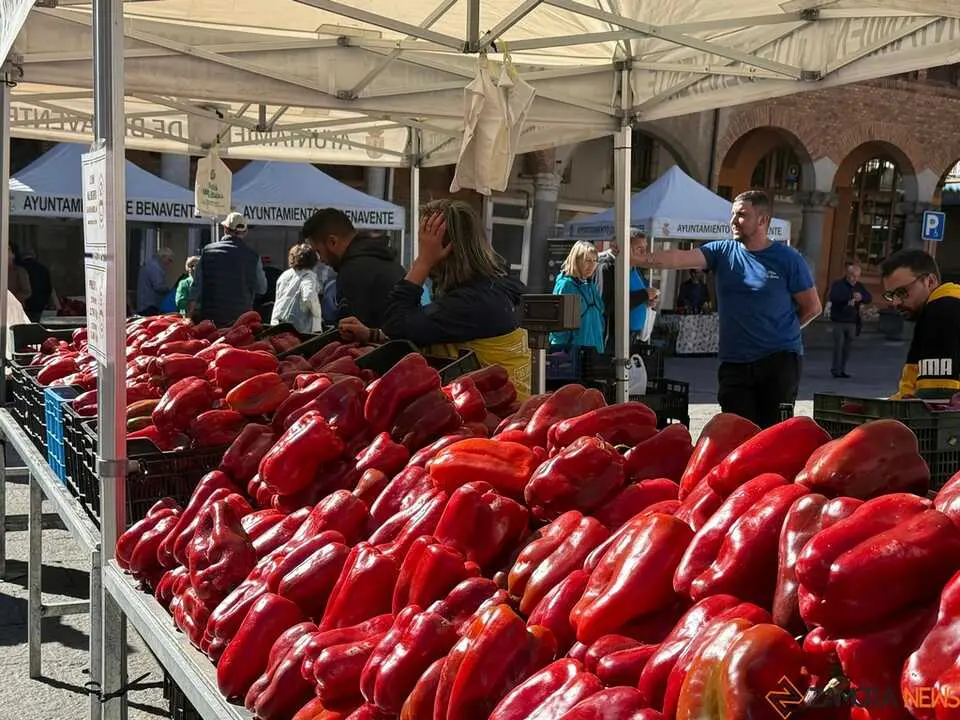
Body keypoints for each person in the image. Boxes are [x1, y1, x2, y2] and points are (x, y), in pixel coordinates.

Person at [632, 190, 821, 428]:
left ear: (762, 220)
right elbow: (679, 258)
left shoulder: (788, 259)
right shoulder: (722, 251)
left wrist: (782, 332)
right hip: (734, 361)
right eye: (732, 214)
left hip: (778, 361)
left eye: (742, 215)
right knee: (735, 430)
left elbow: (812, 307)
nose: (733, 221)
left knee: (772, 433)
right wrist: (638, 260)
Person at [338, 199, 532, 398]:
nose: (422, 251)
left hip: (494, 410)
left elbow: (396, 324)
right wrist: (373, 335)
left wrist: (423, 262)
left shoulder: (473, 303)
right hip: (501, 405)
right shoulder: (494, 288)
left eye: (425, 245)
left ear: (444, 250)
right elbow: (428, 329)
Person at [302, 208, 406, 327]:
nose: (320, 259)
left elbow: (351, 332)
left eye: (318, 251)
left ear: (332, 242)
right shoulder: (382, 258)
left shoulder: (353, 271)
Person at [882, 249, 960, 400]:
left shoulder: (941, 311)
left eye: (902, 292)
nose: (895, 302)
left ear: (930, 282)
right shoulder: (948, 306)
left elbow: (937, 397)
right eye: (891, 295)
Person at [189, 212, 267, 326]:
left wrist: (189, 316)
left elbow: (196, 288)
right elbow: (262, 288)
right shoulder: (253, 257)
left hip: (211, 321)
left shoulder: (208, 251)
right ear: (245, 232)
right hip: (240, 322)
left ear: (225, 228)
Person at [595, 229, 660, 349]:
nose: (644, 252)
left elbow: (635, 296)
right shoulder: (606, 266)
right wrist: (644, 295)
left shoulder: (634, 266)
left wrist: (648, 300)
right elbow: (607, 304)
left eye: (645, 248)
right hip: (610, 340)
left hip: (631, 338)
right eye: (639, 248)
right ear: (623, 246)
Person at [549, 240, 605, 354]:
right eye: (587, 260)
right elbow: (559, 325)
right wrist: (561, 351)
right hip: (574, 353)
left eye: (595, 261)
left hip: (594, 351)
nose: (592, 265)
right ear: (576, 260)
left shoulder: (589, 285)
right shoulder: (566, 285)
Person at [828, 261, 872, 378]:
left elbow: (868, 298)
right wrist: (850, 296)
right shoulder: (838, 284)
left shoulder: (859, 286)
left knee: (847, 347)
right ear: (847, 274)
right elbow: (834, 297)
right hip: (839, 320)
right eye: (853, 275)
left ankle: (842, 369)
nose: (855, 278)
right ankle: (836, 370)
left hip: (852, 321)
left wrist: (861, 297)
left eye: (857, 276)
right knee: (839, 345)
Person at [271, 243, 324, 333]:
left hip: (277, 323)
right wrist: (317, 314)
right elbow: (309, 297)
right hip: (296, 329)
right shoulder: (308, 276)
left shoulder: (285, 275)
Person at [17, 250, 57, 322]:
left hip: (24, 305)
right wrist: (44, 302)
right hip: (38, 306)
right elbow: (48, 289)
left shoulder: (19, 269)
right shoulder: (43, 269)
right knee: (36, 325)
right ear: (34, 256)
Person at [136, 247, 173, 315]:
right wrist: (169, 290)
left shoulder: (150, 265)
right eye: (169, 260)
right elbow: (158, 287)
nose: (170, 263)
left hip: (145, 305)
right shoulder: (154, 268)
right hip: (149, 307)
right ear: (163, 257)